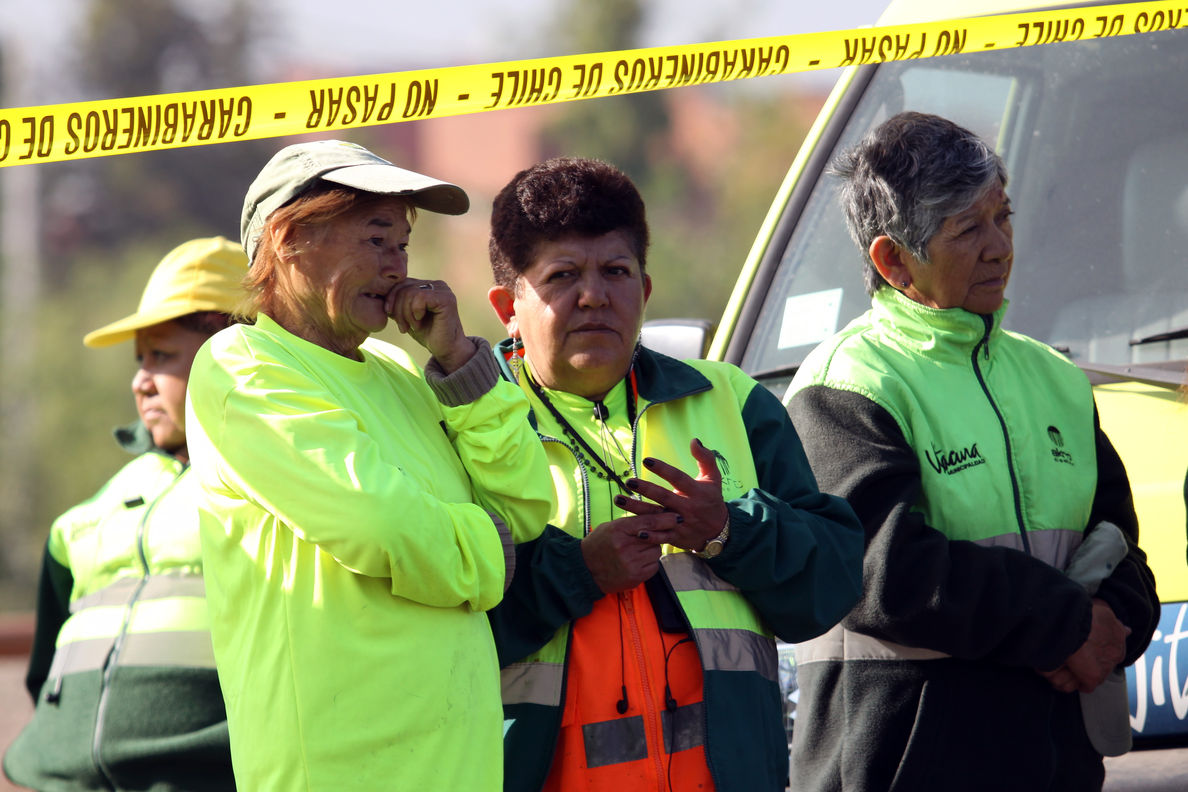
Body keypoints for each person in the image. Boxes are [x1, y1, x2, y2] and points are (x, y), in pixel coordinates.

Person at [783, 111, 1160, 791]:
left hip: (1055, 765)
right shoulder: (846, 386)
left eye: (1003, 217)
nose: (999, 248)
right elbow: (887, 575)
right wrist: (1064, 624)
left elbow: (1121, 544)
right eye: (967, 229)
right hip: (900, 768)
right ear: (893, 261)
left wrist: (1118, 618)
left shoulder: (1055, 379)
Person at [484, 156, 865, 792]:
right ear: (507, 306)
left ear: (646, 290)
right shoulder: (469, 426)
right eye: (561, 276)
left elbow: (829, 588)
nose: (594, 295)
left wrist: (730, 533)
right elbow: (433, 627)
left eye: (616, 271)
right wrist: (576, 573)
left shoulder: (733, 402)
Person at [183, 139, 554, 791]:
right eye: (378, 238)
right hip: (342, 770)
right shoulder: (241, 366)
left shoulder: (400, 370)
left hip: (457, 768)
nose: (398, 265)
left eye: (403, 244)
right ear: (290, 238)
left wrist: (461, 362)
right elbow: (380, 523)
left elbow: (525, 505)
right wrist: (492, 552)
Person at [3, 236, 247, 791]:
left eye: (161, 356)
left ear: (232, 351)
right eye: (139, 360)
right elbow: (44, 672)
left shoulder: (281, 488)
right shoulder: (86, 516)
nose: (139, 381)